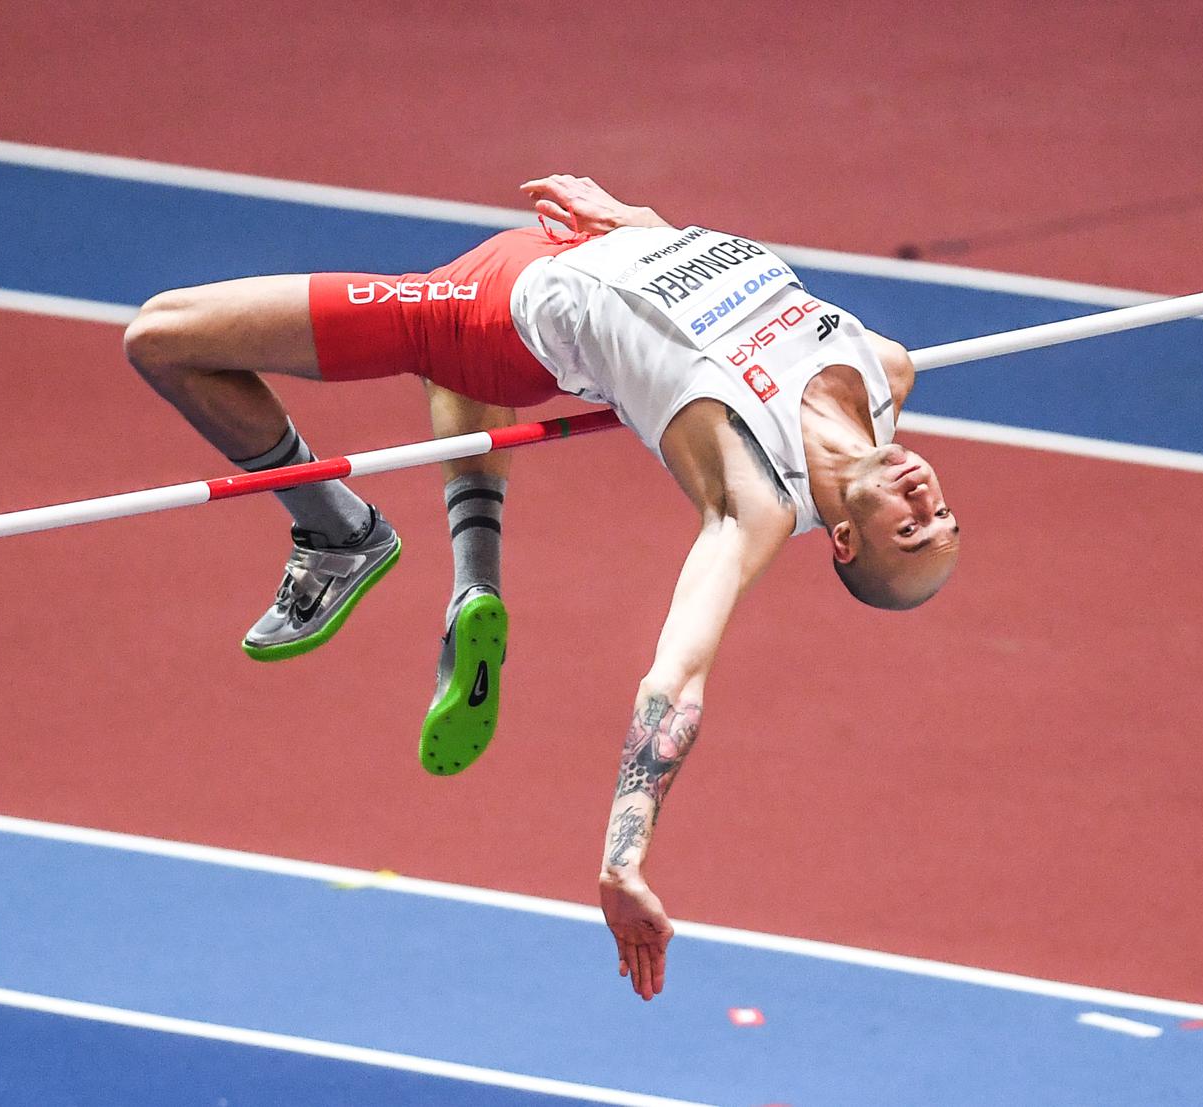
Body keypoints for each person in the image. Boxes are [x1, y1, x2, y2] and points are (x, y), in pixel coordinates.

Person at [123, 175, 960, 1000]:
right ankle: (468, 576)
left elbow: (678, 683)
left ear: (844, 540)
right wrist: (648, 227)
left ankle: (337, 530)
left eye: (910, 528)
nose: (926, 497)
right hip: (591, 248)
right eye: (942, 513)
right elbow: (732, 311)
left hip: (491, 309)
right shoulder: (885, 369)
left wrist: (623, 858)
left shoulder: (756, 501)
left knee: (162, 333)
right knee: (450, 365)